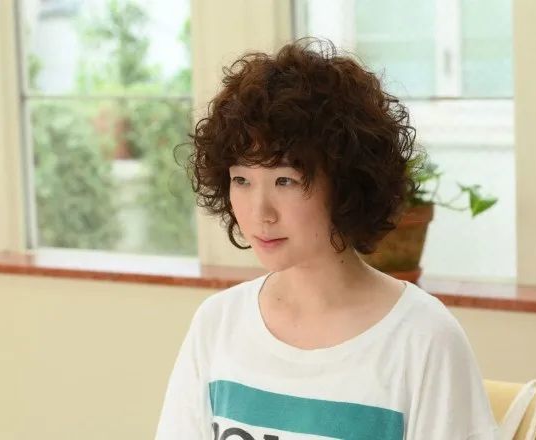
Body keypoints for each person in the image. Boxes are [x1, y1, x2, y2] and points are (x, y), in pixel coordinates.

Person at [156, 38, 498, 439]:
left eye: (285, 180)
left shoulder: (422, 338)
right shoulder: (218, 324)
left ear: (345, 183)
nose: (260, 212)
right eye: (242, 180)